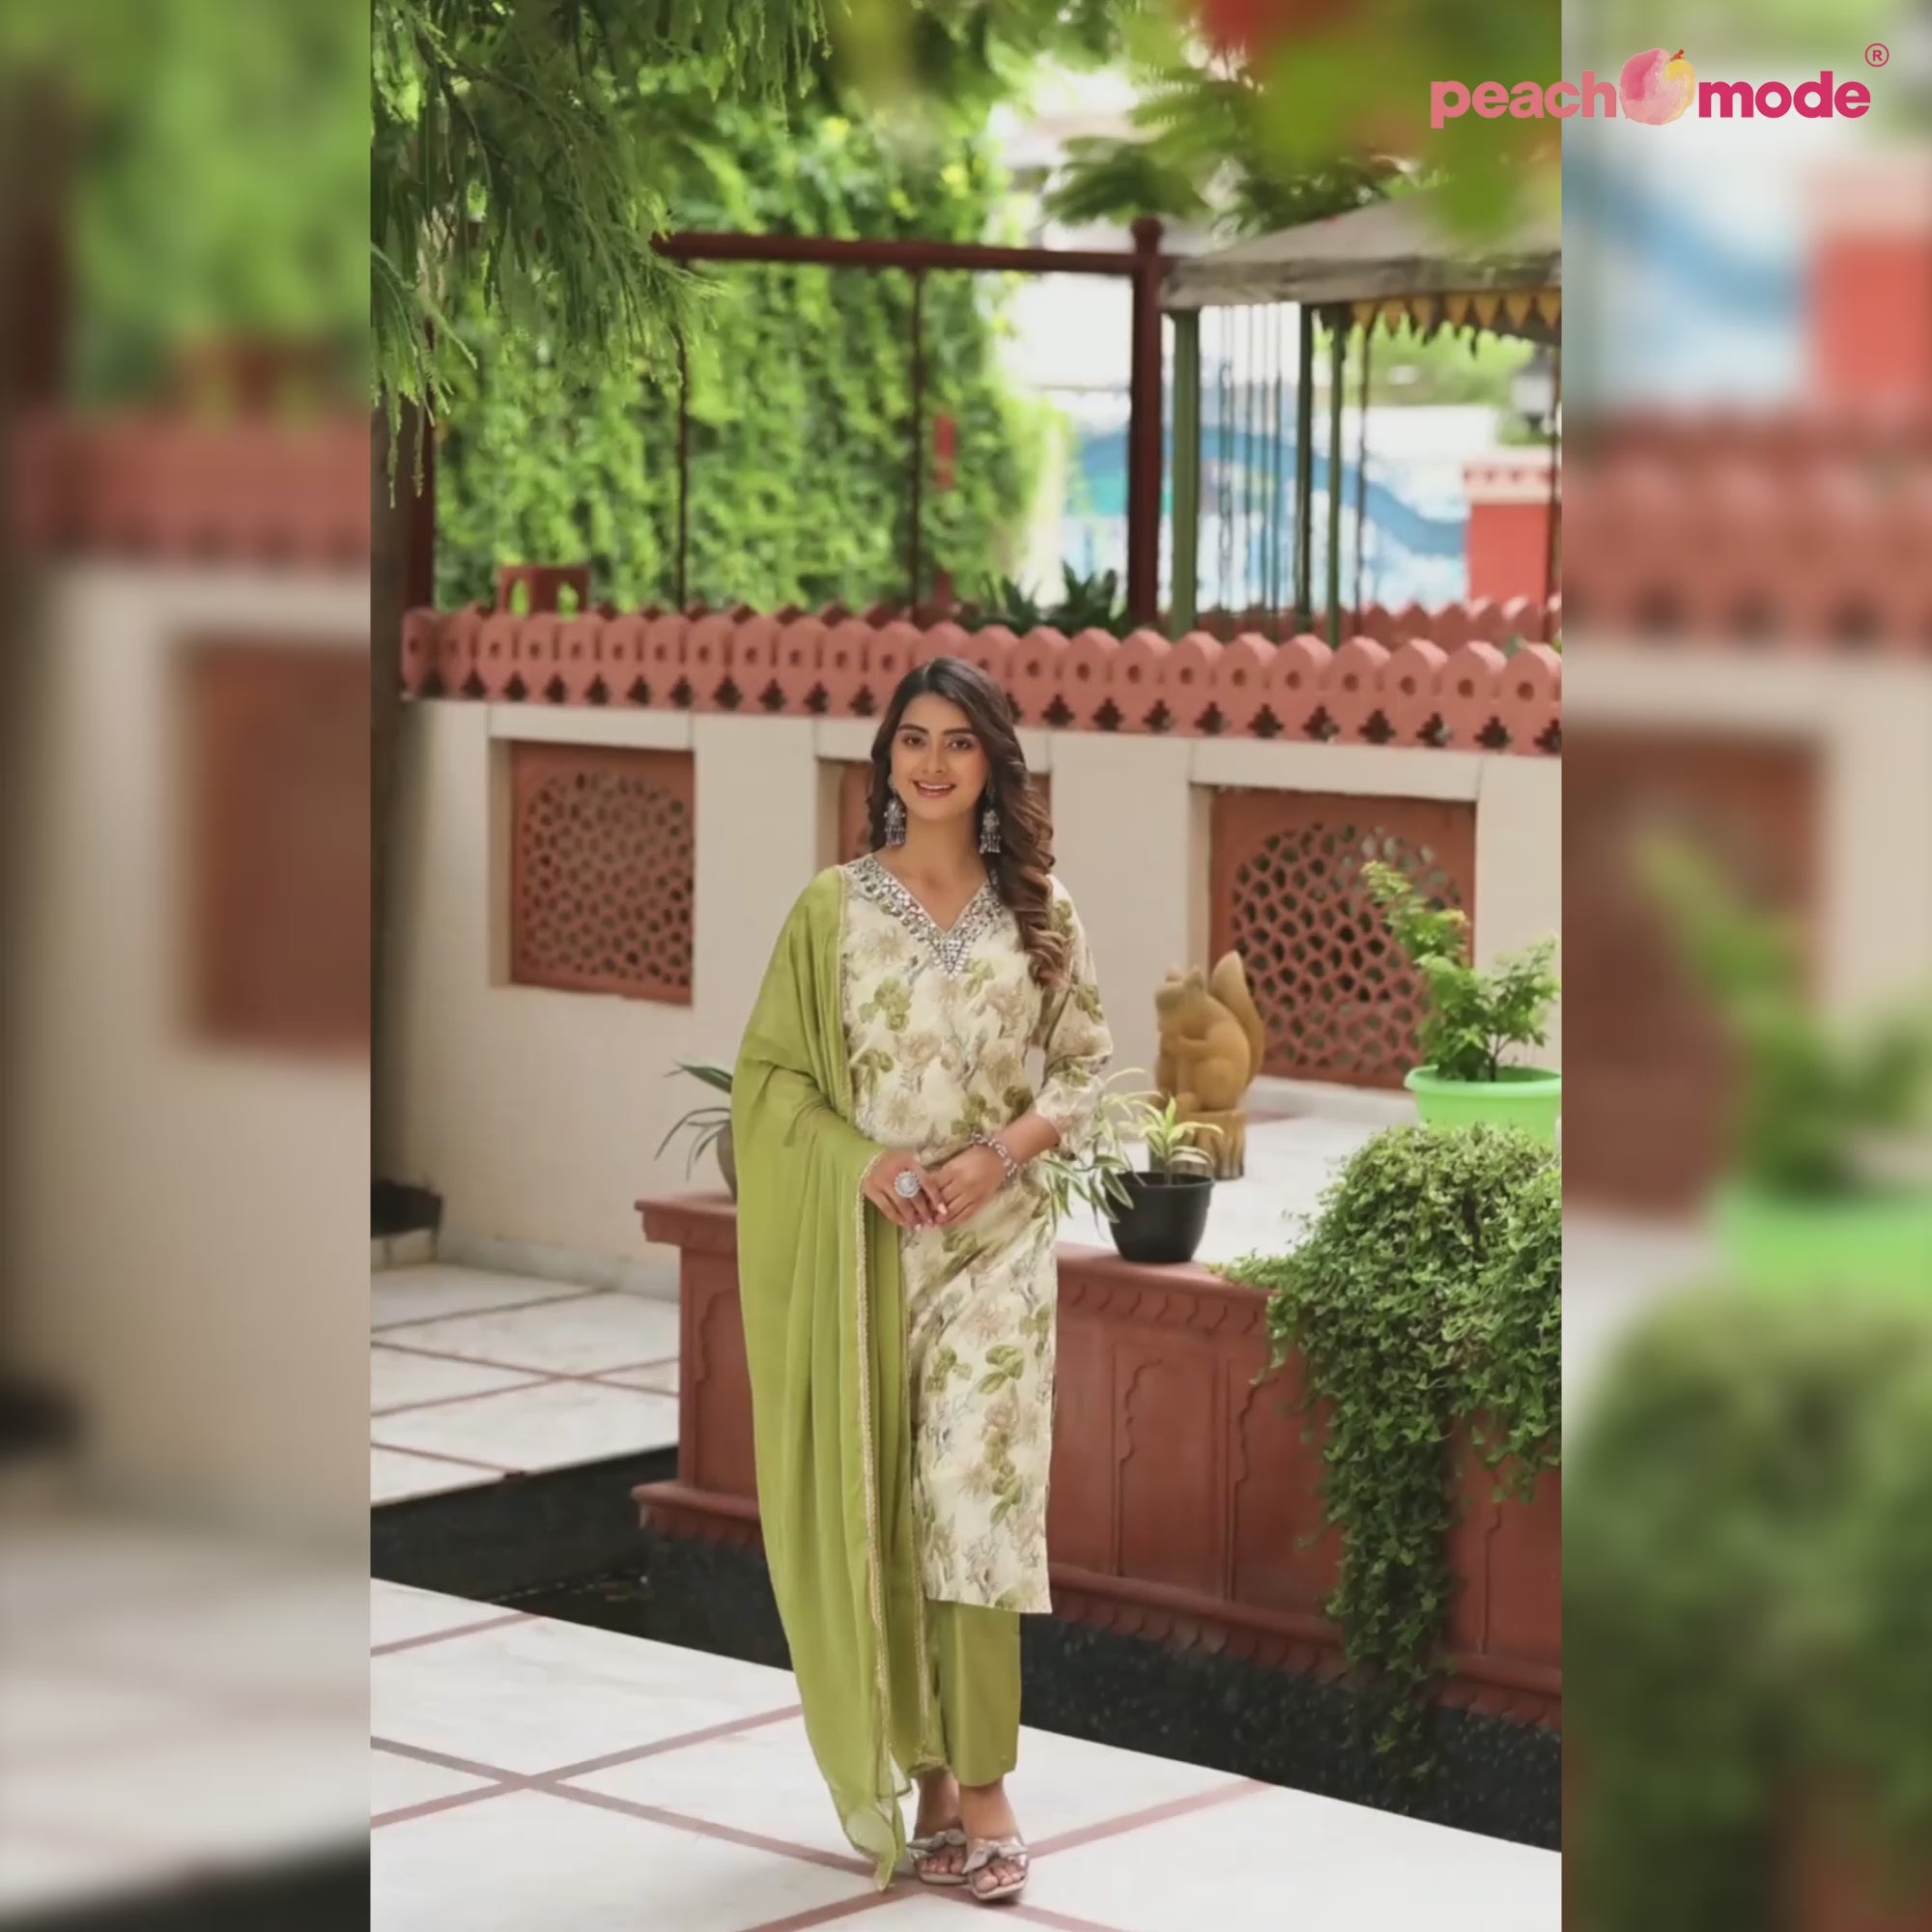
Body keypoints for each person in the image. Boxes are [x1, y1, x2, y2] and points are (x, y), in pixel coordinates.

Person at [730, 656, 1113, 1905]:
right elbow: (773, 1082)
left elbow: (1087, 1071)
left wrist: (999, 1154)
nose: (933, 762)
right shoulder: (833, 910)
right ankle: (930, 1780)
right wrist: (867, 1163)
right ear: (887, 758)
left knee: (973, 1499)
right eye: (914, 739)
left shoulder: (1040, 911)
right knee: (888, 1505)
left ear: (994, 762)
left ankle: (987, 1784)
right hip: (873, 1250)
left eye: (959, 740)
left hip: (995, 1244)